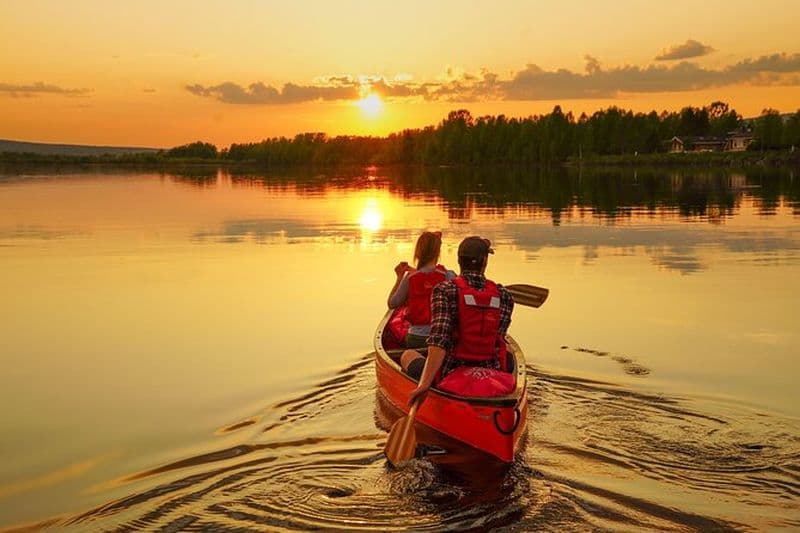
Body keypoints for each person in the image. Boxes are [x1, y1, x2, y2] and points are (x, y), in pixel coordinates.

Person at [401, 236, 514, 406]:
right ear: (485, 262)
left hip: (450, 375)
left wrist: (424, 384)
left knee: (407, 355)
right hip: (492, 372)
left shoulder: (444, 290)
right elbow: (499, 337)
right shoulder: (504, 296)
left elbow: (439, 340)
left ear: (459, 261)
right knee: (510, 356)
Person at [387, 231, 455, 349]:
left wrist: (399, 277)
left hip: (416, 338)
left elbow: (392, 304)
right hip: (441, 339)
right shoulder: (448, 276)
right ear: (437, 253)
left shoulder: (410, 278)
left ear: (418, 253)